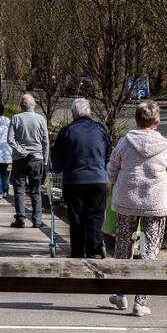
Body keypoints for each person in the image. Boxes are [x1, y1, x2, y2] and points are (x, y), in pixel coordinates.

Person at [106, 99, 167, 316]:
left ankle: (120, 293)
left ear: (136, 119)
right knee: (149, 249)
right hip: (155, 203)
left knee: (123, 246)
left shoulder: (125, 142)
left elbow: (112, 169)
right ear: (157, 121)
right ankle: (141, 301)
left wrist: (113, 184)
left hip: (127, 201)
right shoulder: (165, 146)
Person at [50, 98, 112, 258]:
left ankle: (78, 250)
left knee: (76, 216)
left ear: (73, 113)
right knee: (96, 215)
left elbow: (56, 161)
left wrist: (59, 168)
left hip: (74, 180)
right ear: (89, 112)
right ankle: (94, 248)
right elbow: (108, 154)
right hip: (97, 179)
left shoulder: (66, 131)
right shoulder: (100, 129)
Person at [7, 93, 50, 227]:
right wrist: (45, 160)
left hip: (19, 159)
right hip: (37, 158)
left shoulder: (15, 118)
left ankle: (20, 218)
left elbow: (10, 139)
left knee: (19, 189)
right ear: (34, 105)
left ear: (21, 105)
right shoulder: (41, 119)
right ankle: (37, 220)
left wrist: (21, 151)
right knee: (35, 190)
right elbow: (45, 141)